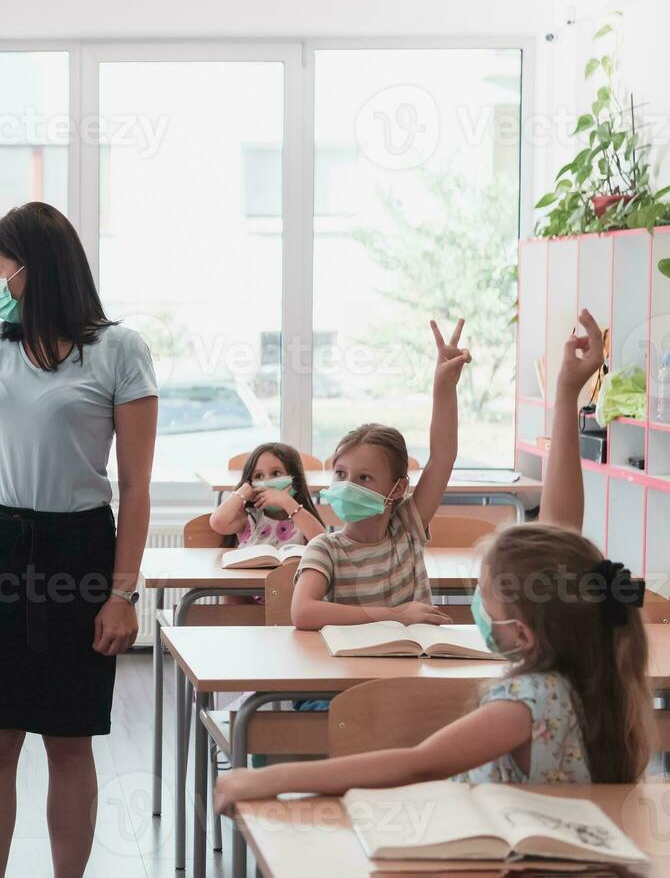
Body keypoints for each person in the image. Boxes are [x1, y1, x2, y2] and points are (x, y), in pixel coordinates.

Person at [216, 311, 652, 812]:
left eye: (483, 595)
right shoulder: (604, 691)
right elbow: (560, 533)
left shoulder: (526, 701)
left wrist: (267, 782)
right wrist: (563, 396)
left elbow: (420, 764)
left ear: (526, 630)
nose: (475, 608)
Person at [0, 202, 158, 878]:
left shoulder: (120, 351)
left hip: (79, 551)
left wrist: (123, 594)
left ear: (37, 269)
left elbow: (136, 487)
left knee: (69, 741)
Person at [290, 319, 470, 630]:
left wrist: (444, 388)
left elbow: (443, 457)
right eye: (341, 474)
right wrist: (394, 615)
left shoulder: (406, 526)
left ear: (397, 489)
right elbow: (303, 612)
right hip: (355, 673)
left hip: (414, 663)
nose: (347, 486)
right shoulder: (325, 548)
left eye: (364, 478)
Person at [209, 442, 326, 548]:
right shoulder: (249, 519)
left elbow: (324, 544)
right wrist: (242, 493)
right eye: (258, 476)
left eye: (276, 473)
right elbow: (217, 522)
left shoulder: (303, 520)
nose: (267, 482)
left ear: (295, 481)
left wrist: (287, 502)